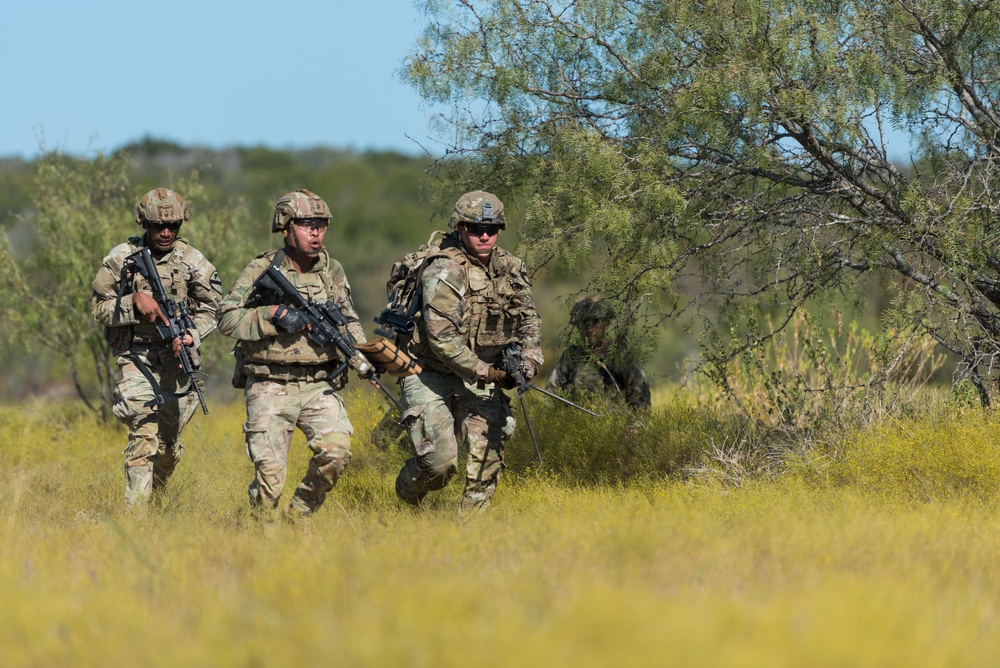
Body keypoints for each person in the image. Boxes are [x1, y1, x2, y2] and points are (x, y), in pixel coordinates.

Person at [218, 189, 367, 517]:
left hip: (317, 383)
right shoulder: (262, 267)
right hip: (270, 383)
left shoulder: (333, 270)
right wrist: (273, 316)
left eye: (321, 225)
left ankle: (299, 513)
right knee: (270, 480)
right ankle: (255, 533)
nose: (316, 232)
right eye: (306, 225)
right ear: (286, 228)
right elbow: (226, 317)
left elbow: (349, 319)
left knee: (337, 453)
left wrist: (362, 356)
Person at [394, 190, 542, 512]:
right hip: (428, 372)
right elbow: (441, 338)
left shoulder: (511, 268)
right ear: (461, 229)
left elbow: (529, 322)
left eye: (492, 229)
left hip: (479, 375)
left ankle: (469, 537)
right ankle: (406, 496)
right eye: (476, 229)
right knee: (439, 465)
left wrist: (528, 362)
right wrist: (488, 372)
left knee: (488, 449)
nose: (485, 235)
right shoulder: (444, 270)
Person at [92, 188, 222, 507]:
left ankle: (157, 496)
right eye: (157, 226)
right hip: (136, 355)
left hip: (178, 358)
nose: (165, 233)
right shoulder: (121, 258)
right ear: (144, 224)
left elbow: (215, 308)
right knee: (143, 431)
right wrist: (133, 302)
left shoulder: (193, 262)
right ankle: (136, 517)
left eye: (173, 227)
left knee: (167, 446)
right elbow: (98, 309)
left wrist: (192, 333)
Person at [547, 295, 651, 410]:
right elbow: (552, 392)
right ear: (577, 325)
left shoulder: (622, 356)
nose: (589, 328)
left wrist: (633, 427)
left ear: (606, 323)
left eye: (595, 321)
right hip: (576, 424)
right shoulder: (571, 356)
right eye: (585, 322)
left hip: (615, 425)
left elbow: (641, 403)